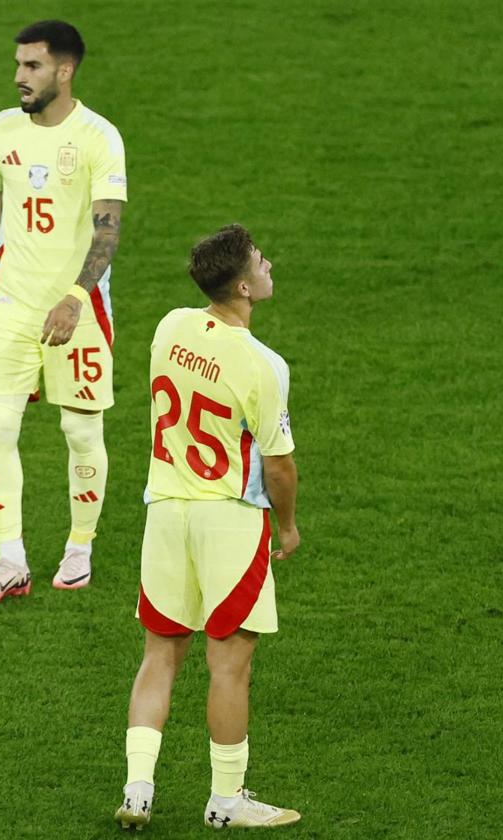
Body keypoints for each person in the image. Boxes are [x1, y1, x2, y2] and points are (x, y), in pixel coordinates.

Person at [114, 224, 301, 830]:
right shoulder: (264, 365)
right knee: (229, 665)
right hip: (228, 520)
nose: (269, 264)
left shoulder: (170, 327)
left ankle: (138, 790)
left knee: (159, 655)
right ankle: (226, 800)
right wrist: (288, 528)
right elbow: (279, 465)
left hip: (165, 511)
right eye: (260, 260)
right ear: (244, 286)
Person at [0, 20, 127, 603]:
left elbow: (107, 229)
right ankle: (11, 560)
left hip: (77, 310)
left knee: (81, 431)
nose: (18, 77)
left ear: (65, 69)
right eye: (17, 65)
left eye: (32, 66)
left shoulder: (98, 138)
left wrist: (76, 297)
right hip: (11, 305)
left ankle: (79, 548)